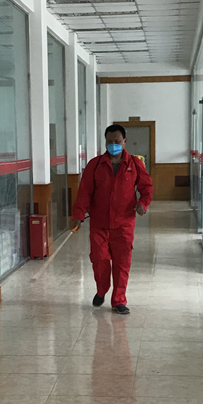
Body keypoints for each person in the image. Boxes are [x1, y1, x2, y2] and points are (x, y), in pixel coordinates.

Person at [70, 123, 153, 315]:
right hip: (99, 224)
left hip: (124, 224)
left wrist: (143, 203)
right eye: (109, 142)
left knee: (122, 264)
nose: (113, 145)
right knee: (99, 260)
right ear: (105, 142)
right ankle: (101, 290)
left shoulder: (134, 164)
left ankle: (118, 300)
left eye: (117, 141)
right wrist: (78, 215)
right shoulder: (95, 165)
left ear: (124, 141)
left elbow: (146, 188)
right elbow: (84, 192)